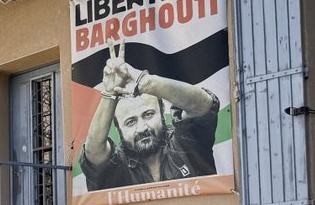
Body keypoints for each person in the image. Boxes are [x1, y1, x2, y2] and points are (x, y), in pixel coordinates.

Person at [79, 41, 220, 191]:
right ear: (118, 128)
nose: (142, 127)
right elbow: (93, 151)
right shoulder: (116, 169)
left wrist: (147, 84)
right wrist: (110, 93)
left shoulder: (186, 142)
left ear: (161, 112)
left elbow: (204, 105)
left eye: (148, 114)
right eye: (130, 122)